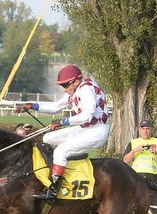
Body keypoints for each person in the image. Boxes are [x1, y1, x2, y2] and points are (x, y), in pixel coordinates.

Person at [14, 64, 110, 204]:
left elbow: (87, 116)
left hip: (97, 131)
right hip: (86, 128)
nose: (64, 89)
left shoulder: (86, 90)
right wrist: (32, 106)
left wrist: (62, 121)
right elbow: (55, 107)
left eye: (65, 85)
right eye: (62, 86)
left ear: (76, 81)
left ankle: (53, 190)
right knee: (47, 138)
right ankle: (55, 172)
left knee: (60, 151)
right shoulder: (75, 90)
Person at [123, 119, 157, 214]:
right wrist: (134, 151)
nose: (145, 131)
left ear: (151, 130)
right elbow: (125, 160)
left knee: (156, 207)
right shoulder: (133, 142)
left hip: (152, 177)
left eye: (148, 128)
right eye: (143, 128)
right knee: (134, 205)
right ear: (139, 130)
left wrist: (156, 153)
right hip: (136, 178)